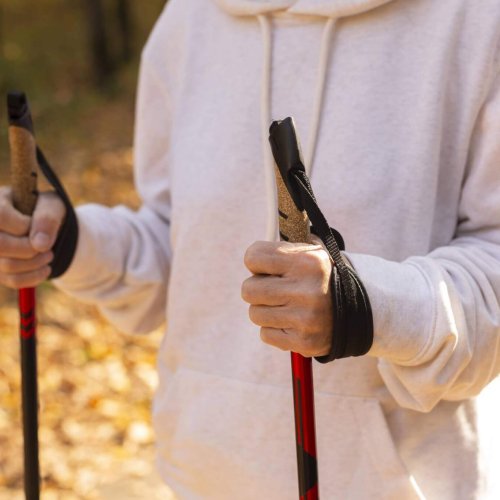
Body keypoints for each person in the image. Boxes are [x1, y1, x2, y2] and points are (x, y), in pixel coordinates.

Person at [1, 0, 500, 498]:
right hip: (205, 477)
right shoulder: (189, 19)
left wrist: (365, 306)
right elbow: (179, 245)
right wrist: (68, 241)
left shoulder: (476, 19)